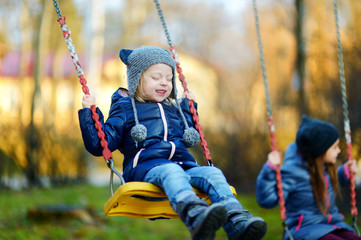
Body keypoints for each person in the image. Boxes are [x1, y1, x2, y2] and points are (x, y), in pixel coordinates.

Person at [78, 46, 267, 240]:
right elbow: (101, 145)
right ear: (137, 79)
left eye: (169, 78)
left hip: (183, 166)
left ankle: (237, 222)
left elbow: (188, 136)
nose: (164, 83)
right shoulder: (125, 109)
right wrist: (89, 115)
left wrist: (189, 107)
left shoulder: (173, 109)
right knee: (171, 171)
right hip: (145, 170)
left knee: (212, 172)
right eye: (156, 77)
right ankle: (196, 217)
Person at [256, 115, 360, 240]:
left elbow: (326, 185)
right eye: (334, 147)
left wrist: (344, 173)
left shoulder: (324, 168)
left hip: (333, 225)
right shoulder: (292, 174)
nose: (338, 151)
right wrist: (269, 170)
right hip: (306, 231)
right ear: (319, 151)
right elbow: (267, 199)